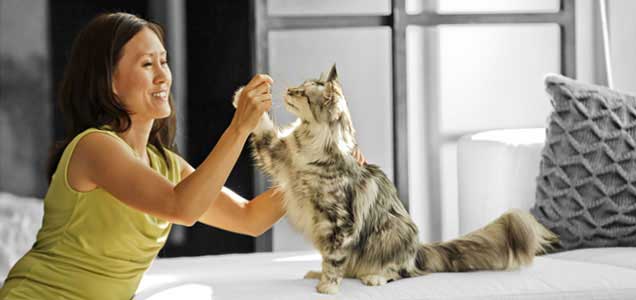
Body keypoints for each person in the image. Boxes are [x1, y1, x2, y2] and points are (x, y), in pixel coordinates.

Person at [0, 12, 366, 300]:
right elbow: (182, 208)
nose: (163, 76)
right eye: (147, 65)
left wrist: (327, 176)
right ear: (110, 82)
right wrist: (239, 127)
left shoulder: (164, 165)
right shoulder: (95, 147)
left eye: (164, 61)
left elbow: (249, 218)